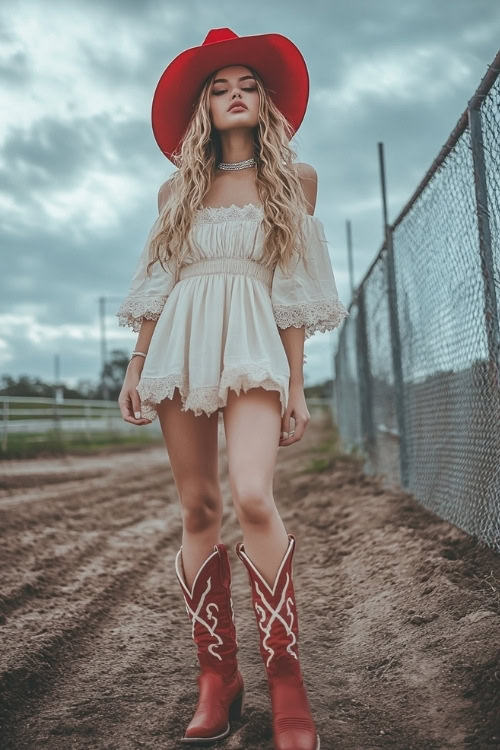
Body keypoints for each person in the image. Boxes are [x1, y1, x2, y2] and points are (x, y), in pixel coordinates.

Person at [116, 27, 348, 750]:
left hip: (253, 341)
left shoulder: (295, 181)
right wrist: (137, 361)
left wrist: (298, 386)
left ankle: (286, 680)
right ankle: (217, 680)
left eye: (245, 83)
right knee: (199, 506)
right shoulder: (175, 189)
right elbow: (158, 281)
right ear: (203, 109)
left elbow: (295, 286)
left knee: (252, 494)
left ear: (265, 100)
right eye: (218, 88)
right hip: (183, 342)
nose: (234, 94)